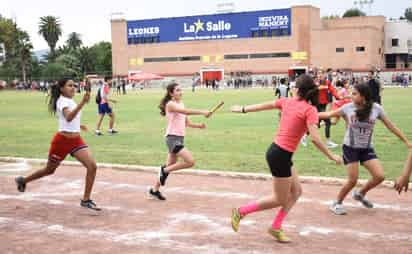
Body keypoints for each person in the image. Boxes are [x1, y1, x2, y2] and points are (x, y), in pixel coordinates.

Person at [230, 74, 342, 243]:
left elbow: (264, 105)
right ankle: (241, 211)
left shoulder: (291, 103)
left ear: (297, 89)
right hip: (280, 155)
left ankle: (275, 227)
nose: (292, 87)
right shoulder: (309, 109)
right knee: (279, 199)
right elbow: (316, 139)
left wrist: (244, 109)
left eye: (294, 85)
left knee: (296, 192)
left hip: (280, 153)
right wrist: (332, 156)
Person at [319, 83, 412, 215]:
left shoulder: (376, 109)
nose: (351, 95)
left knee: (379, 176)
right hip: (350, 148)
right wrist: (308, 114)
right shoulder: (347, 108)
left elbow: (391, 126)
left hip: (366, 148)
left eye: (355, 93)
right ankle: (337, 203)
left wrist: (406, 141)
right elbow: (328, 114)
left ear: (363, 96)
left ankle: (360, 193)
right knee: (353, 180)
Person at [14, 78, 100, 211]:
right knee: (49, 170)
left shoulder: (70, 100)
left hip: (76, 140)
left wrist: (79, 125)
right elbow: (69, 117)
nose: (73, 88)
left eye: (74, 85)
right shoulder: (61, 100)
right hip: (62, 142)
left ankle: (86, 199)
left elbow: (72, 119)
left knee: (92, 166)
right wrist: (83, 102)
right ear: (61, 88)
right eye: (69, 85)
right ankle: (23, 181)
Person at [148, 83, 211, 201]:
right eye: (177, 90)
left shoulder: (181, 104)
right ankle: (163, 170)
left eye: (181, 90)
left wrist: (199, 126)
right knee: (190, 161)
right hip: (172, 138)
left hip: (179, 138)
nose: (180, 92)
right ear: (171, 93)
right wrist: (202, 112)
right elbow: (186, 112)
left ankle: (154, 190)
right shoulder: (170, 104)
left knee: (170, 166)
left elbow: (186, 122)